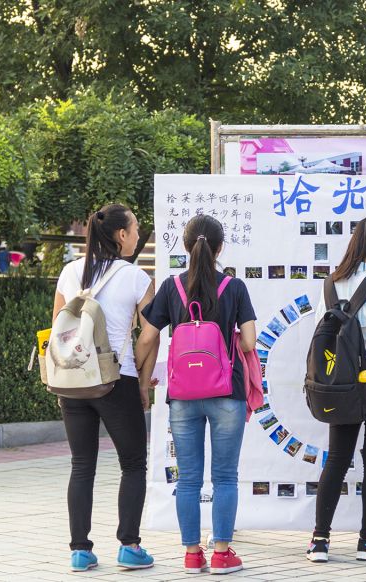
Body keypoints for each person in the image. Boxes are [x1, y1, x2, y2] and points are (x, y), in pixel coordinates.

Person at [137, 215, 257, 575]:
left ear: (187, 247)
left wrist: (139, 377)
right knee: (225, 477)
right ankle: (221, 554)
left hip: (183, 395)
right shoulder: (234, 287)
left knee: (188, 478)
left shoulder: (172, 286)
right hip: (227, 391)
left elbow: (147, 337)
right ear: (220, 248)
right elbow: (249, 341)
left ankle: (192, 554)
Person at [52, 204, 156, 572]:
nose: (138, 234)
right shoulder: (136, 277)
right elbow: (150, 333)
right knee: (133, 464)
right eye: (135, 228)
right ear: (121, 235)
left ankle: (80, 551)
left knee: (82, 465)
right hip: (116, 379)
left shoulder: (69, 272)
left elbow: (57, 326)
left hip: (73, 380)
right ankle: (129, 546)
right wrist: (141, 379)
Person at [306, 218, 366, 563]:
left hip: (340, 378)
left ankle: (320, 541)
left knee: (337, 457)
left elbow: (323, 329)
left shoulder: (330, 283)